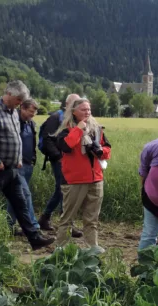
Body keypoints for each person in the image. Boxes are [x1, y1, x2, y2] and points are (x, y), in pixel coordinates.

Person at [0, 81, 54, 250]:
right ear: (9, 94)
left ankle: (34, 238)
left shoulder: (13, 112)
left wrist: (18, 159)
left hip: (12, 169)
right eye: (19, 99)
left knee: (21, 203)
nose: (20, 103)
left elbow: (16, 139)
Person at [53, 97, 111, 252]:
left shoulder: (97, 130)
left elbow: (107, 150)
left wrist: (100, 151)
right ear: (73, 111)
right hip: (74, 180)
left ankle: (93, 249)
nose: (87, 112)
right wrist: (79, 129)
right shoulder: (65, 130)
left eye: (89, 109)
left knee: (92, 219)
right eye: (83, 109)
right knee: (67, 218)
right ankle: (60, 251)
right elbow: (65, 146)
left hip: (96, 178)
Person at [37, 93, 82, 238]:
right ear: (67, 103)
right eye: (75, 103)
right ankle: (67, 224)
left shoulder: (73, 120)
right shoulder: (56, 118)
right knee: (65, 190)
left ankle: (45, 217)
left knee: (62, 190)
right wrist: (58, 157)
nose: (78, 106)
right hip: (60, 161)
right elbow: (47, 139)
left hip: (70, 161)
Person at [6, 98, 40, 233]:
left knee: (16, 196)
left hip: (28, 165)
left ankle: (8, 226)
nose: (33, 115)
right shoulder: (13, 123)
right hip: (15, 165)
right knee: (26, 194)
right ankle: (33, 226)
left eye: (34, 112)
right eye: (31, 111)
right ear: (23, 108)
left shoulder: (30, 124)